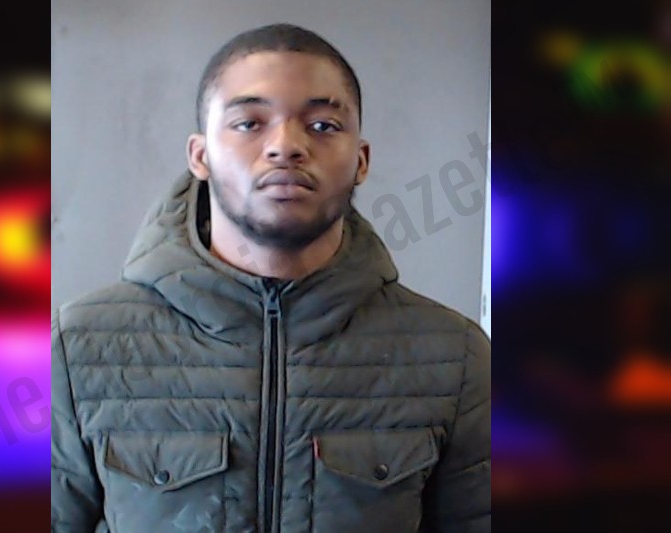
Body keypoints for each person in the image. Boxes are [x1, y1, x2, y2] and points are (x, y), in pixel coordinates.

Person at [52, 23, 490, 533]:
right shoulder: (79, 347)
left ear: (361, 160)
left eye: (322, 125)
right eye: (249, 123)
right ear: (200, 156)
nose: (285, 145)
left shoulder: (455, 357)